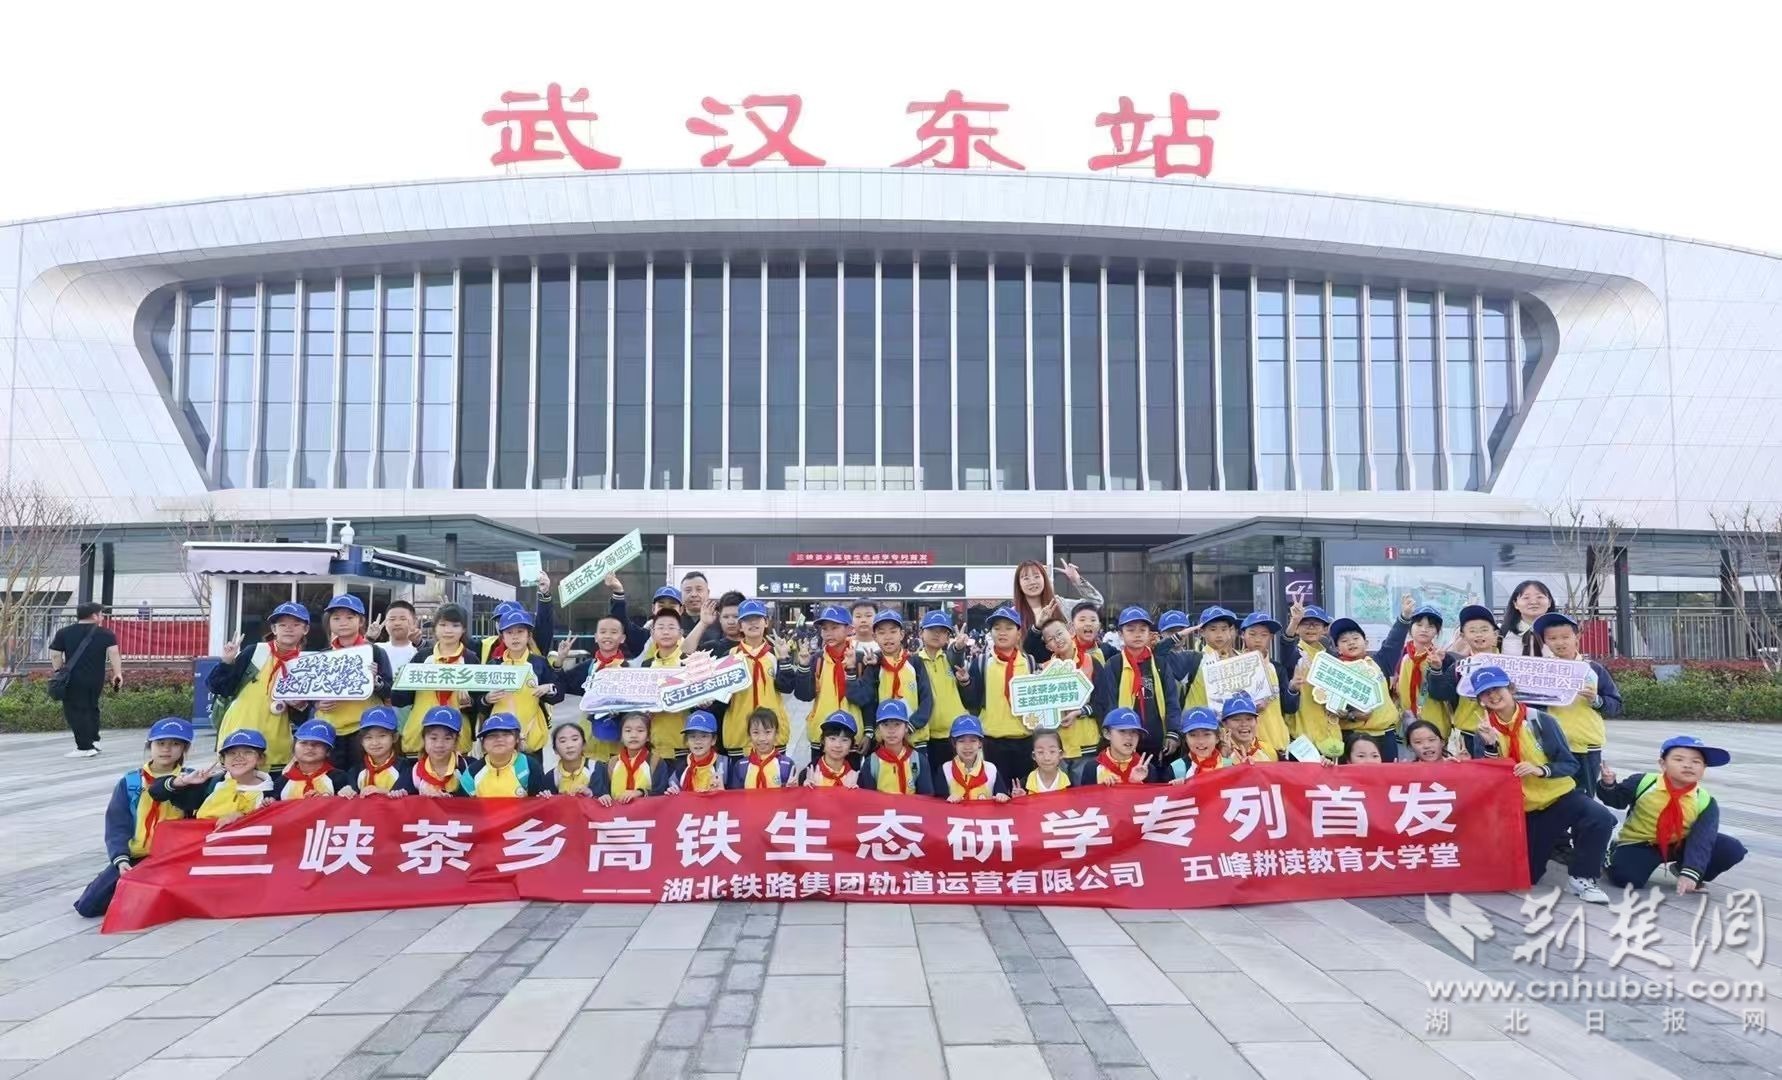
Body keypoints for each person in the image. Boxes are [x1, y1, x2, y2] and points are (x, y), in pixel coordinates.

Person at [1469, 665, 1613, 902]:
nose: (1493, 696)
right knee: (1528, 876)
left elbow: (1570, 764)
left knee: (1600, 817)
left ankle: (1583, 877)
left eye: (1497, 689)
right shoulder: (1483, 731)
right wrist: (1490, 745)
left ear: (1511, 689)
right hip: (1524, 810)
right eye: (1485, 693)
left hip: (1559, 798)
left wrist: (1541, 770)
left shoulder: (1540, 721)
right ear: (1480, 700)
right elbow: (1487, 778)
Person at [73, 717, 193, 918]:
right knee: (88, 906)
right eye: (160, 743)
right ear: (149, 745)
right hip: (137, 855)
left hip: (173, 856)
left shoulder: (190, 779)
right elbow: (117, 824)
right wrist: (120, 858)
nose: (166, 749)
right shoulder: (131, 782)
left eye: (175, 744)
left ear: (184, 749)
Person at [1600, 735, 1746, 892]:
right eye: (1679, 759)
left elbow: (1703, 838)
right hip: (1643, 843)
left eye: (1696, 762)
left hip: (1680, 843)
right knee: (1627, 879)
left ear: (1704, 768)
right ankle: (1613, 854)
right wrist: (1609, 785)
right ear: (1663, 764)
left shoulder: (1705, 800)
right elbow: (1617, 801)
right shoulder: (1644, 782)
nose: (1688, 765)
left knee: (1731, 849)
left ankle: (1682, 869)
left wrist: (1692, 871)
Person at [210, 601, 312, 769]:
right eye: (282, 625)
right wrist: (226, 662)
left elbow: (302, 717)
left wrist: (299, 706)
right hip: (237, 738)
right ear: (274, 629)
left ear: (305, 629)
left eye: (296, 624)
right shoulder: (255, 652)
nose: (289, 629)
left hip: (276, 745)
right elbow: (219, 687)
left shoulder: (306, 663)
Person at [1534, 611, 1621, 797]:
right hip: (1553, 746)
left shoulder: (1593, 669)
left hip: (1586, 746)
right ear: (1545, 642)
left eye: (1565, 637)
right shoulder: (1541, 671)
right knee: (1555, 798)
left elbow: (1615, 705)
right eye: (1552, 638)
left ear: (1577, 636)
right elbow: (1531, 707)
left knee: (1584, 798)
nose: (1560, 642)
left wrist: (1596, 700)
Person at [313, 595, 395, 772]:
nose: (343, 622)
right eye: (336, 618)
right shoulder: (324, 655)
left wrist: (375, 682)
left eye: (350, 617)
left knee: (362, 777)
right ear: (329, 623)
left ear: (361, 621)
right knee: (334, 779)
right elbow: (311, 691)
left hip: (365, 729)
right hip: (331, 729)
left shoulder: (374, 652)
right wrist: (317, 703)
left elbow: (390, 692)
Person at [478, 606, 564, 771]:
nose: (515, 637)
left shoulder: (539, 664)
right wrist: (486, 699)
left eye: (520, 632)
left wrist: (549, 688)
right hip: (499, 740)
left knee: (532, 782)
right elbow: (479, 703)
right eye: (509, 632)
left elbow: (558, 695)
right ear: (502, 637)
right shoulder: (493, 665)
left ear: (529, 636)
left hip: (530, 740)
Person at [1089, 607, 1180, 763]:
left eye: (1142, 630)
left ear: (1149, 633)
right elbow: (1109, 703)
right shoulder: (1114, 664)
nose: (1137, 634)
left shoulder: (1159, 664)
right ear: (1120, 634)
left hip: (1157, 740)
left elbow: (1171, 699)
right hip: (1124, 740)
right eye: (1130, 630)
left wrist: (1173, 731)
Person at [1303, 618, 1401, 762]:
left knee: (1388, 775)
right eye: (1344, 641)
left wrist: (1405, 617)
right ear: (1337, 648)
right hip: (1352, 736)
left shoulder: (1379, 663)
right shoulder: (1333, 673)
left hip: (1386, 735)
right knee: (1352, 776)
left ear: (1366, 643)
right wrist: (1350, 715)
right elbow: (1331, 707)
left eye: (1355, 638)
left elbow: (1394, 641)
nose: (1351, 643)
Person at [958, 605, 1038, 781]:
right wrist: (965, 682)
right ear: (991, 633)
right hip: (991, 741)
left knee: (1024, 790)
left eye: (1009, 628)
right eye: (997, 628)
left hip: (1024, 739)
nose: (1002, 633)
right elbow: (971, 702)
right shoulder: (981, 662)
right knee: (996, 790)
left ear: (1018, 634)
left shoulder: (1030, 663)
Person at [393, 602, 477, 757]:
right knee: (421, 772)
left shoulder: (471, 659)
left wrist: (469, 703)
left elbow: (480, 701)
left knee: (455, 771)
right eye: (443, 625)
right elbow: (400, 699)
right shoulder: (422, 657)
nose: (448, 630)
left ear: (464, 629)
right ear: (435, 628)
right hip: (422, 731)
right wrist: (401, 682)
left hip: (457, 733)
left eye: (455, 625)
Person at [849, 610, 934, 759]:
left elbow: (927, 699)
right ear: (875, 637)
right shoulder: (874, 665)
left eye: (893, 631)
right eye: (881, 633)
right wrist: (852, 669)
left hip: (915, 738)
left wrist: (911, 725)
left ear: (901, 634)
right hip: (884, 739)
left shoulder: (915, 662)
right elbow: (863, 699)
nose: (888, 637)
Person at [634, 607, 717, 759]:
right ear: (652, 633)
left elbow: (704, 697)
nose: (666, 632)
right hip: (654, 749)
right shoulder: (647, 665)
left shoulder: (689, 661)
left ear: (680, 633)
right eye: (660, 628)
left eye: (671, 627)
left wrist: (703, 703)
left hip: (685, 748)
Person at [716, 600, 796, 755]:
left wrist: (784, 659)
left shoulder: (776, 653)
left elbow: (787, 688)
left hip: (772, 735)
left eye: (757, 619)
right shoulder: (730, 656)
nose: (753, 623)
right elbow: (721, 697)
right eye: (747, 620)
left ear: (766, 622)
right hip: (739, 735)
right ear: (740, 626)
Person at [1424, 604, 1500, 757]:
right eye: (1472, 631)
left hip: (1503, 734)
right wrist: (1436, 669)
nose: (1479, 635)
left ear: (1495, 634)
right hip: (1469, 735)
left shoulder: (1511, 665)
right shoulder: (1459, 667)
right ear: (1463, 636)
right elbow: (1440, 693)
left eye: (1484, 630)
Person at [49, 601, 122, 759]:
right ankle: (95, 741)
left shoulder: (64, 632)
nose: (102, 617)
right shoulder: (106, 633)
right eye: (101, 614)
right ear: (94, 616)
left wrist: (59, 671)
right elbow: (114, 653)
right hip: (96, 679)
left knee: (75, 711)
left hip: (73, 679)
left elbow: (55, 654)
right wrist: (118, 674)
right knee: (92, 707)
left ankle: (84, 747)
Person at [792, 605, 867, 757]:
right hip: (822, 735)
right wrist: (804, 667)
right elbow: (804, 695)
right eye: (824, 629)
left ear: (849, 629)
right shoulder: (817, 659)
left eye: (834, 627)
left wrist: (869, 732)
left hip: (851, 736)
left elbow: (866, 699)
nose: (828, 633)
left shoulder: (860, 659)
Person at [159, 728, 275, 823]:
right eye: (231, 753)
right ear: (223, 760)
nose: (239, 757)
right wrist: (183, 782)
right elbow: (157, 793)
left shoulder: (273, 793)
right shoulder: (212, 784)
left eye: (247, 752)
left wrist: (243, 816)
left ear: (261, 759)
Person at [1376, 597, 1452, 740]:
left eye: (1430, 626)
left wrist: (1438, 668)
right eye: (1419, 624)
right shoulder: (1400, 656)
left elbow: (1445, 693)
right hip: (1405, 725)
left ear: (1437, 632)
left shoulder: (1443, 658)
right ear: (1410, 628)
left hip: (1434, 725)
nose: (1424, 629)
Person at [914, 611, 973, 774]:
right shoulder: (914, 663)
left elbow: (956, 655)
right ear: (921, 633)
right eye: (932, 629)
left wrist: (959, 647)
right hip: (928, 737)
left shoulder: (950, 660)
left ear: (948, 637)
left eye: (942, 631)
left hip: (957, 735)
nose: (936, 634)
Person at [1037, 616, 1102, 763]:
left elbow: (1102, 700)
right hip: (1056, 745)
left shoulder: (1091, 662)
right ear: (1048, 647)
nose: (1057, 640)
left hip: (1086, 742)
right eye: (1051, 639)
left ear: (1071, 631)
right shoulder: (1045, 670)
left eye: (1059, 633)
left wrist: (1080, 712)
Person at [1014, 558, 1104, 659]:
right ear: (1019, 584)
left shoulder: (1060, 605)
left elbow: (1096, 602)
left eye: (1036, 576)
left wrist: (1077, 580)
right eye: (1026, 578)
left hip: (1071, 665)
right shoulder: (1014, 615)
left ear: (1044, 579)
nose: (1032, 582)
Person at [1238, 612, 1298, 756]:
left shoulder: (1277, 669)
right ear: (1242, 635)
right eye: (1252, 634)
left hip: (1277, 743)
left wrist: (1292, 689)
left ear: (1271, 637)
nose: (1258, 639)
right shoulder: (1233, 667)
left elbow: (1289, 708)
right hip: (1246, 747)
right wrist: (1250, 708)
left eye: (1264, 635)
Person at [857, 700, 932, 795]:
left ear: (906, 727)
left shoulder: (918, 760)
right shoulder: (871, 763)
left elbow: (926, 798)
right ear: (878, 728)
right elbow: (868, 799)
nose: (891, 730)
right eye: (885, 725)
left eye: (897, 724)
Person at [463, 713, 545, 797]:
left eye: (506, 734)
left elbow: (538, 801)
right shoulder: (472, 773)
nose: (499, 739)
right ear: (483, 743)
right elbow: (463, 803)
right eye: (492, 736)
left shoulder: (529, 766)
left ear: (517, 739)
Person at [1075, 707, 1159, 785]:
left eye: (1134, 731)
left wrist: (1136, 783)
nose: (1129, 737)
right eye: (1122, 731)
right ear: (1107, 734)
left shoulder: (1146, 769)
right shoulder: (1092, 768)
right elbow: (1086, 795)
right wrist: (1101, 788)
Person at [275, 720, 357, 799]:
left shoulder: (340, 778)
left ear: (328, 751)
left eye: (317, 744)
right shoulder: (282, 782)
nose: (309, 747)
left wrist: (346, 794)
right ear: (293, 748)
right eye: (304, 743)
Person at [596, 712, 664, 805]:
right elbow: (602, 792)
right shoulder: (612, 763)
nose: (633, 735)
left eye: (640, 730)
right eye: (628, 731)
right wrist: (603, 796)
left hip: (646, 812)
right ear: (621, 736)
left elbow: (662, 793)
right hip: (617, 812)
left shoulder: (655, 762)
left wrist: (640, 792)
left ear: (648, 736)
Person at [938, 716, 1009, 802]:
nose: (967, 746)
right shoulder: (945, 769)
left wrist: (1002, 796)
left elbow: (1003, 796)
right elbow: (938, 803)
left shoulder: (991, 769)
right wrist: (948, 799)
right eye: (961, 741)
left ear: (980, 743)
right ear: (954, 743)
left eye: (973, 741)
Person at [727, 708, 797, 789]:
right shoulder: (741, 766)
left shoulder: (786, 765)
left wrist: (790, 790)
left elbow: (794, 795)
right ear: (749, 735)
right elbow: (735, 795)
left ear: (776, 733)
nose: (762, 738)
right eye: (756, 732)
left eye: (767, 732)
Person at [410, 705, 469, 797]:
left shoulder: (468, 767)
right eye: (433, 738)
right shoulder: (414, 772)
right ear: (424, 739)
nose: (439, 745)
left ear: (456, 742)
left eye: (447, 738)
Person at [666, 710, 726, 794]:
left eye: (704, 736)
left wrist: (722, 792)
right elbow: (673, 785)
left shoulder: (725, 764)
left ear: (713, 740)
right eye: (692, 736)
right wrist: (673, 793)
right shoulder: (682, 766)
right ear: (686, 741)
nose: (698, 741)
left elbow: (737, 796)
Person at [354, 706, 409, 796]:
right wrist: (347, 790)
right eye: (368, 737)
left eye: (382, 736)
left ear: (395, 737)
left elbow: (406, 796)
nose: (375, 743)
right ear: (361, 741)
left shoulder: (405, 768)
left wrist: (382, 791)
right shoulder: (355, 770)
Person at [801, 712, 861, 787]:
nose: (838, 745)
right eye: (832, 738)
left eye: (844, 740)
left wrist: (856, 792)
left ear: (851, 745)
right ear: (823, 741)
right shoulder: (808, 775)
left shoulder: (857, 777)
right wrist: (805, 790)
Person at [542, 719, 599, 796]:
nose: (569, 745)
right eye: (563, 741)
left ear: (584, 745)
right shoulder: (552, 776)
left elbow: (603, 798)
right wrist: (545, 797)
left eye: (574, 739)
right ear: (555, 749)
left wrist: (589, 793)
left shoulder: (595, 768)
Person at [1500, 580, 1556, 657]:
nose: (1533, 602)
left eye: (1539, 597)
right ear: (1515, 604)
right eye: (1526, 598)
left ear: (1549, 602)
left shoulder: (1561, 632)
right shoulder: (1502, 634)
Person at [1220, 692, 1276, 764]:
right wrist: (1226, 760)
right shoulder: (1216, 754)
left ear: (1256, 721)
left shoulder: (1268, 750)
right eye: (1237, 719)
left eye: (1249, 719)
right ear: (1224, 724)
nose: (1244, 724)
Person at [1012, 729, 1072, 795]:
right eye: (1040, 752)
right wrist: (1022, 798)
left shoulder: (1068, 782)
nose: (1047, 758)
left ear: (1060, 754)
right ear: (1034, 756)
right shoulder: (1025, 783)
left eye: (1052, 751)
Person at [373, 600, 422, 669]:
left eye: (403, 619)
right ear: (385, 623)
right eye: (392, 619)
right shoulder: (377, 649)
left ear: (415, 622)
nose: (397, 623)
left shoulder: (420, 650)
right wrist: (369, 638)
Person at [1177, 707, 1225, 777]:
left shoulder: (1230, 766)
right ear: (1186, 739)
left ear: (1217, 738)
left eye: (1206, 734)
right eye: (1193, 735)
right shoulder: (1176, 770)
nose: (1201, 741)